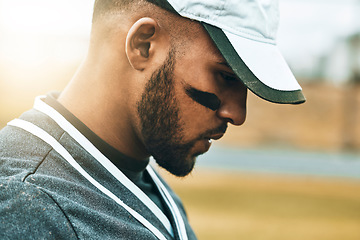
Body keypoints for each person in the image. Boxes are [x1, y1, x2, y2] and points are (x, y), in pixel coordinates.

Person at [0, 0, 305, 239]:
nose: (237, 114)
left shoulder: (139, 171)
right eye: (226, 76)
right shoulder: (28, 205)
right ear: (143, 45)